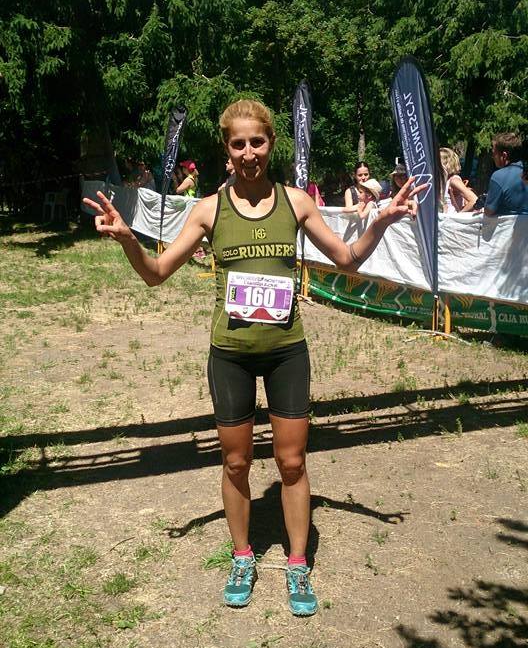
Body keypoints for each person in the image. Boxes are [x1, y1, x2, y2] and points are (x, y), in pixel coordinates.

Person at [83, 99, 424, 617]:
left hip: (287, 351)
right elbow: (155, 273)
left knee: (290, 461)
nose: (249, 153)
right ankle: (243, 556)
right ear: (227, 152)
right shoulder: (207, 210)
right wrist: (130, 239)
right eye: (238, 144)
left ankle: (296, 563)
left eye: (257, 142)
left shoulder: (295, 202)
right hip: (231, 355)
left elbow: (348, 259)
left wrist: (382, 220)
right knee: (237, 461)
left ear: (271, 145)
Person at [484, 132, 528, 216]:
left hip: (509, 228)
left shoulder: (498, 176)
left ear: (504, 156)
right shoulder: (525, 170)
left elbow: (488, 212)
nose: (492, 157)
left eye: (494, 153)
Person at [439, 148, 477, 213]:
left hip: (451, 222)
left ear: (446, 164)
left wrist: (459, 215)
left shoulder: (453, 181)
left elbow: (474, 200)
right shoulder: (442, 181)